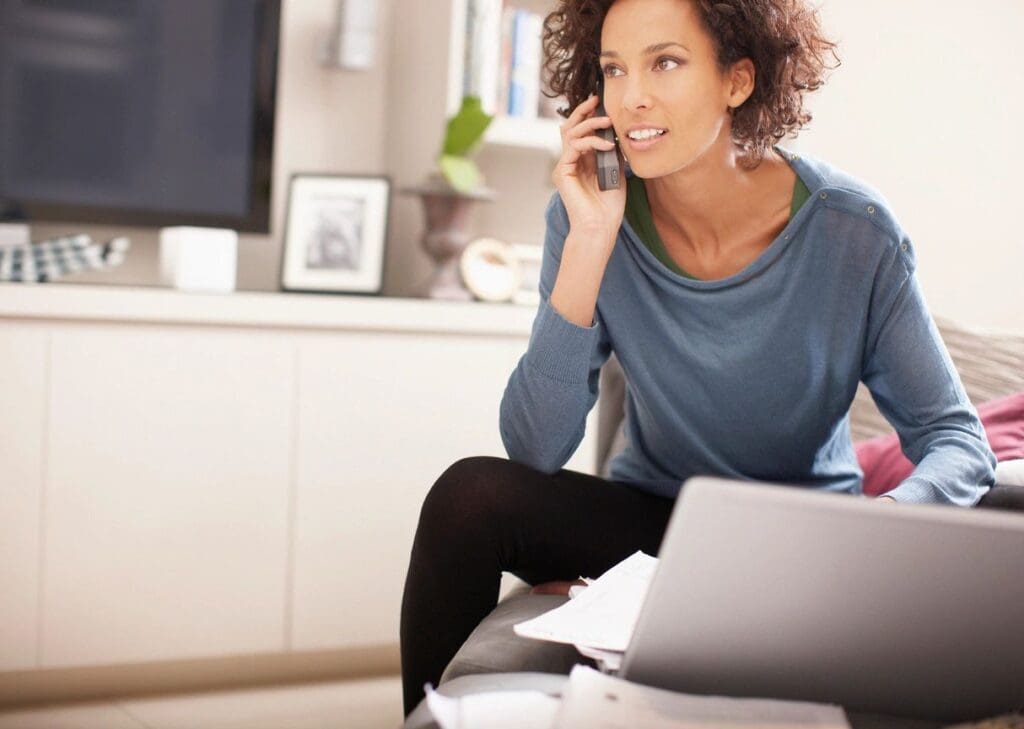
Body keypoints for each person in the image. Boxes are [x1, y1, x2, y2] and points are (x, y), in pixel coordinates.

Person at [399, 0, 997, 716]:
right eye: (614, 69)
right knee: (467, 497)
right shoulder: (588, 212)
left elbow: (957, 440)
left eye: (666, 62)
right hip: (650, 525)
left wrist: (891, 528)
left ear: (738, 80)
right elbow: (533, 446)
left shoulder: (853, 233)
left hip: (798, 538)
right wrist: (591, 239)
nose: (632, 97)